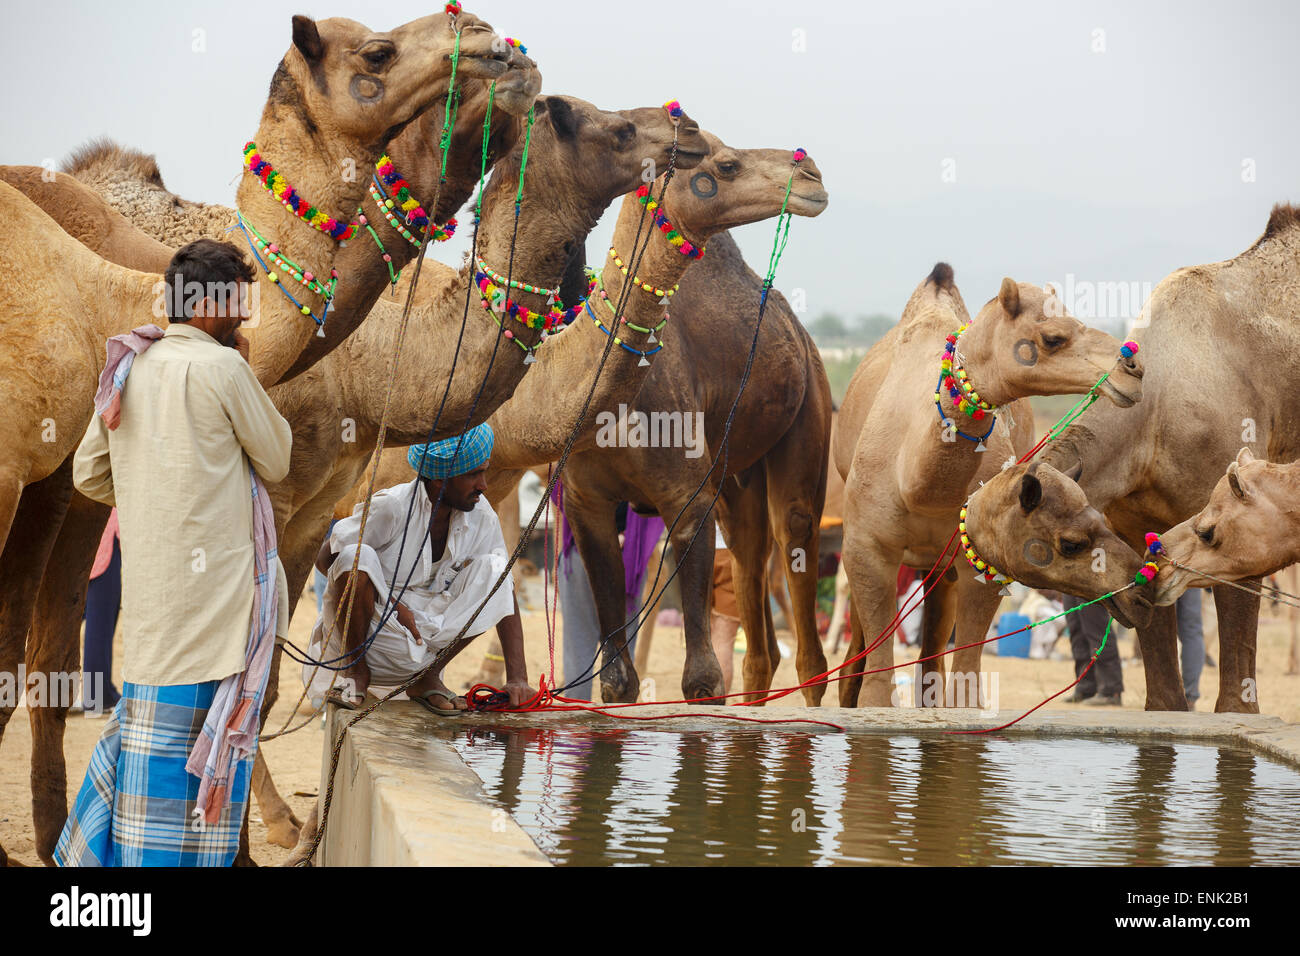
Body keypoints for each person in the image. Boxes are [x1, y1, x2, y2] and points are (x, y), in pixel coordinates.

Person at [57, 238, 293, 867]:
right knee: (193, 778)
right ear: (214, 304)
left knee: (145, 760)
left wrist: (147, 492)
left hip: (155, 615)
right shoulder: (224, 370)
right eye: (240, 303)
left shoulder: (131, 368)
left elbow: (88, 472)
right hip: (216, 618)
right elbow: (276, 456)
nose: (245, 317)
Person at [305, 424, 535, 714]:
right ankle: (356, 674)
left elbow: (502, 586)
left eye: (483, 472)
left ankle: (429, 677)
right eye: (472, 474)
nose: (484, 485)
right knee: (356, 554)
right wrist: (390, 603)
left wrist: (518, 679)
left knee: (497, 569)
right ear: (440, 480)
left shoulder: (481, 516)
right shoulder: (392, 507)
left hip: (429, 644)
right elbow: (326, 557)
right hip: (375, 634)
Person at [80, 508, 123, 714]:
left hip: (76, 537)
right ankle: (97, 697)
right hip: (104, 534)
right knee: (101, 620)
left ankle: (54, 694)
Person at [1060, 593, 1124, 705]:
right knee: (1076, 630)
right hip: (1068, 577)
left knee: (1096, 629)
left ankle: (1110, 691)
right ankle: (1086, 688)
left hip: (1091, 577)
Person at [1175, 589, 1205, 708]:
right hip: (1190, 574)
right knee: (1192, 631)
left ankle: (1166, 693)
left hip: (1159, 573)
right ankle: (1190, 696)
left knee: (1162, 631)